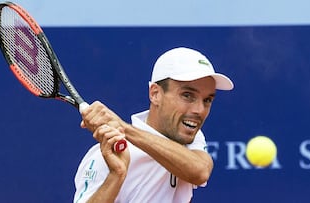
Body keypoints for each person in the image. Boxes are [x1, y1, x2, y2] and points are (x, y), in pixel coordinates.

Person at [74, 47, 234, 203]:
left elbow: (200, 171)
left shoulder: (191, 136)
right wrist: (117, 175)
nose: (199, 110)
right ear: (155, 94)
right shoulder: (105, 156)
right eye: (187, 95)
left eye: (207, 100)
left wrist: (124, 128)